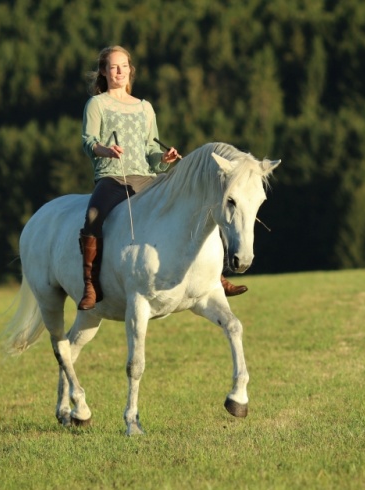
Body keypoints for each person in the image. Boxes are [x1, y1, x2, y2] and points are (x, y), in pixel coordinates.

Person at [78, 45, 247, 310]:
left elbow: (151, 151)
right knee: (92, 217)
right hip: (113, 177)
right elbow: (89, 142)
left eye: (124, 66)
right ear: (103, 71)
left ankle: (216, 276)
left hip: (146, 178)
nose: (119, 72)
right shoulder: (96, 104)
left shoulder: (144, 108)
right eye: (113, 67)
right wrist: (106, 151)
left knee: (194, 204)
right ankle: (90, 284)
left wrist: (163, 158)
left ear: (130, 70)